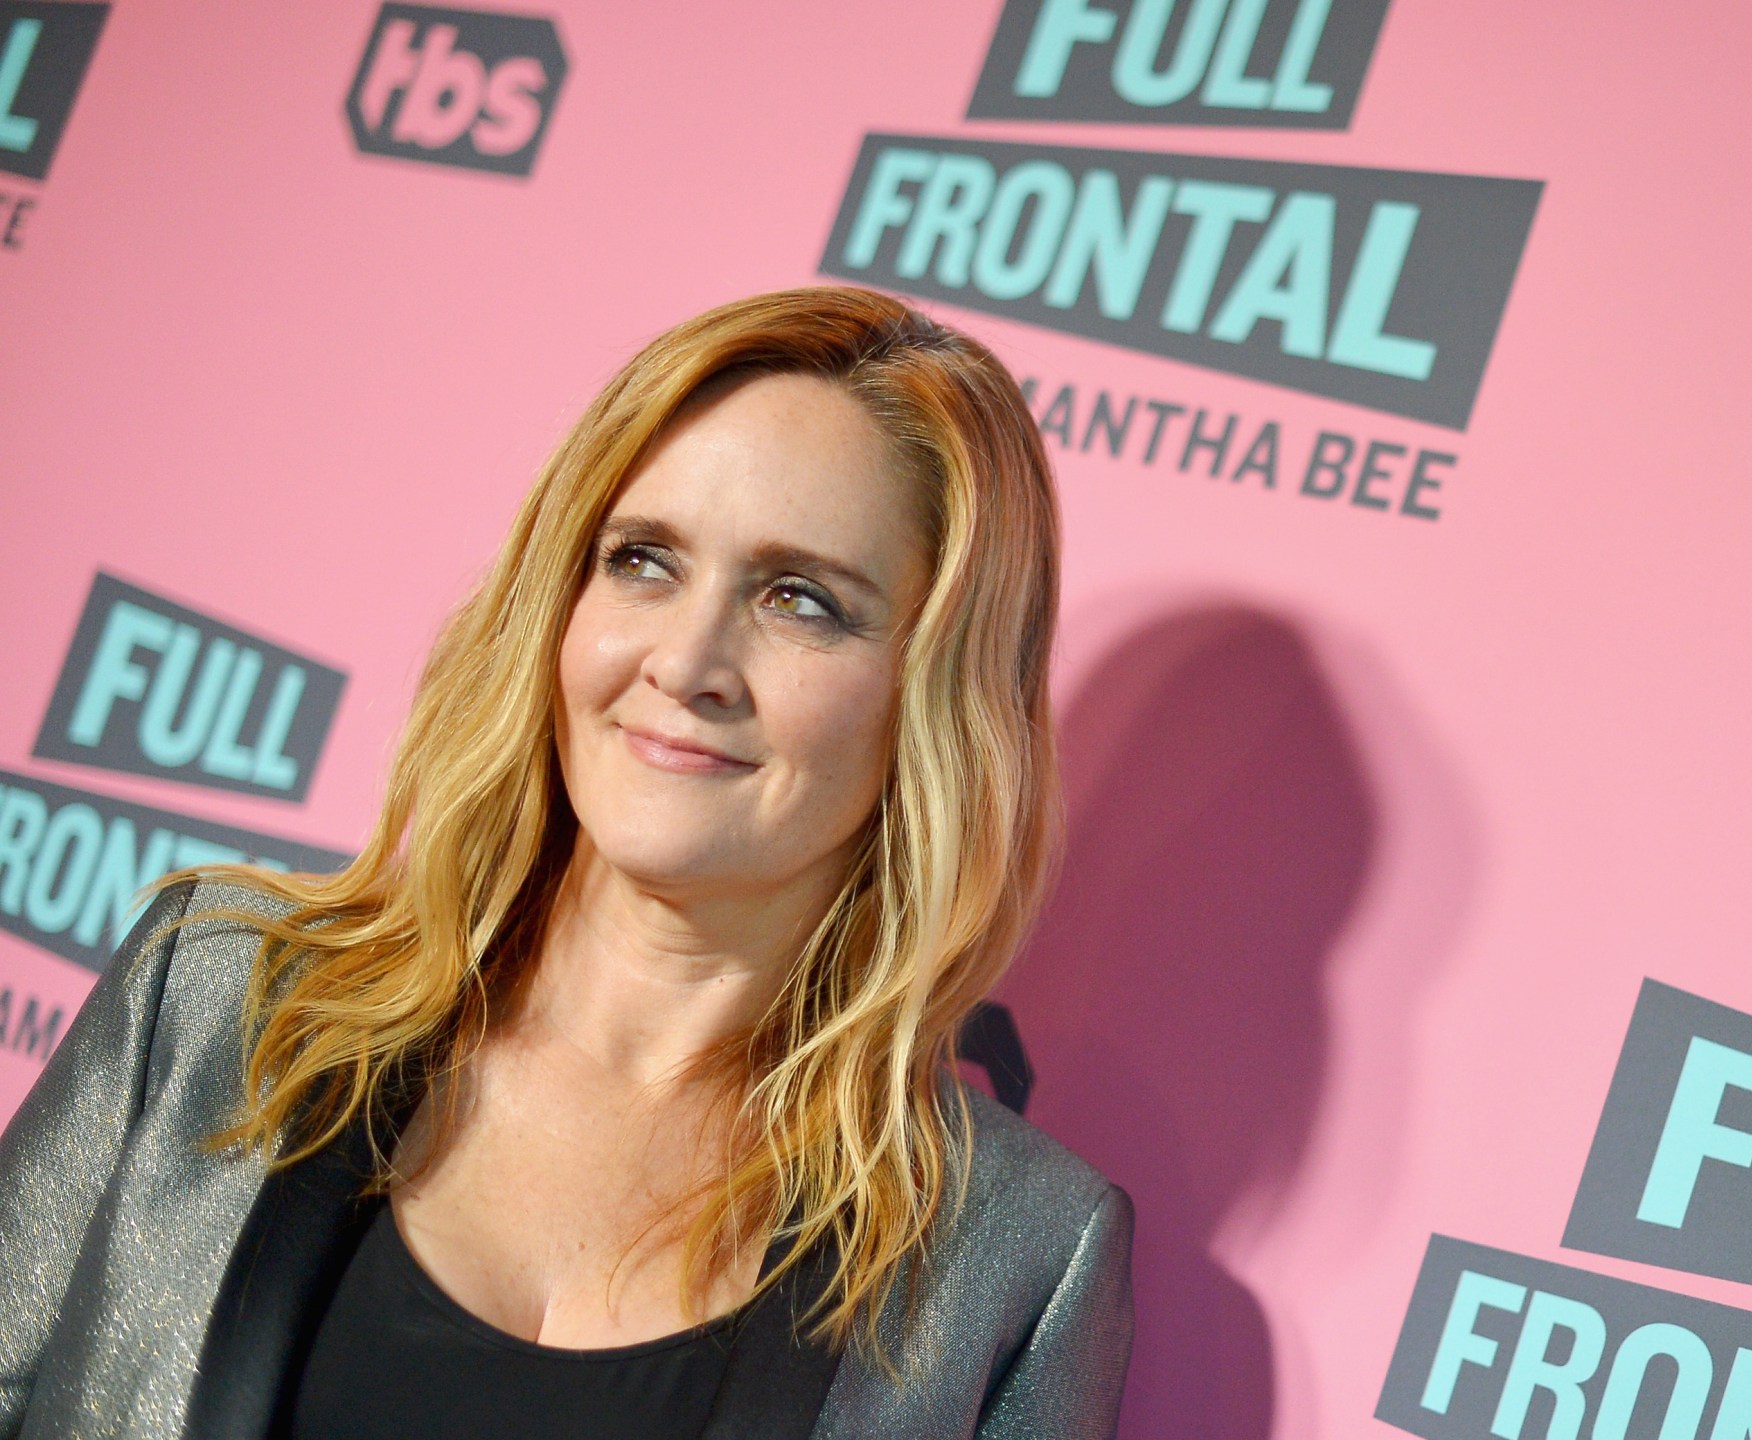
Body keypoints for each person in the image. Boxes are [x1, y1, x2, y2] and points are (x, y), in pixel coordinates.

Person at [0, 287, 1133, 1440]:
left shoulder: (1015, 1252)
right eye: (643, 561)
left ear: (935, 700)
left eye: (801, 600)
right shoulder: (212, 1008)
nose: (687, 660)